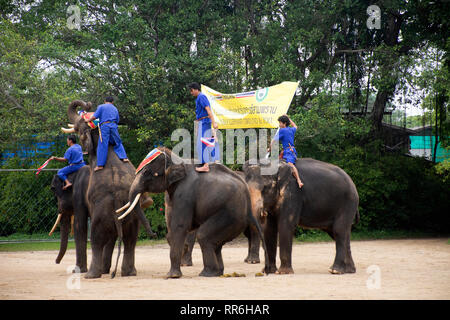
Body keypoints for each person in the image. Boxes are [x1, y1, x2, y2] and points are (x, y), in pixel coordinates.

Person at [84, 96, 129, 172]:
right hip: (114, 125)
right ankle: (124, 157)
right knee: (118, 142)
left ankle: (100, 165)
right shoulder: (115, 108)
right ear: (112, 102)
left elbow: (95, 116)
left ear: (104, 101)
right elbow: (117, 120)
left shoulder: (101, 106)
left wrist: (87, 120)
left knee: (102, 144)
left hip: (105, 126)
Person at [188, 82, 219, 172]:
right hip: (202, 121)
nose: (191, 92)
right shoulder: (199, 98)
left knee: (203, 143)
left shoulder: (201, 96)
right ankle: (212, 160)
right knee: (207, 141)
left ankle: (206, 165)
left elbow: (208, 110)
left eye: (192, 90)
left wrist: (214, 122)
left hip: (205, 122)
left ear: (196, 89)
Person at [268, 115, 304, 188]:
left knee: (290, 164)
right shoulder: (291, 129)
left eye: (280, 123)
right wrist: (288, 118)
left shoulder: (282, 130)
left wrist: (269, 149)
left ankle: (299, 180)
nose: (279, 124)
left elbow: (273, 141)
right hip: (289, 150)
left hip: (289, 151)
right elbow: (295, 126)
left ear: (284, 124)